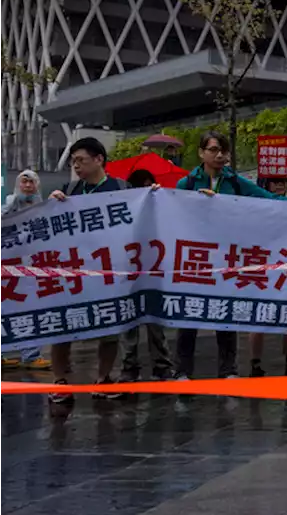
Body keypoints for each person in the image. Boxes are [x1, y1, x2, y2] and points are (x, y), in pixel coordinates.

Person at [173, 131, 287, 380]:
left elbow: (270, 200)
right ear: (201, 153)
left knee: (226, 313)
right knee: (190, 313)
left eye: (223, 150)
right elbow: (173, 212)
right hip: (196, 259)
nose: (219, 155)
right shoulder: (187, 184)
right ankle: (182, 370)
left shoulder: (235, 182)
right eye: (213, 150)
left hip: (226, 257)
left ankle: (228, 369)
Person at [46, 138, 131, 403]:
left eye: (80, 160)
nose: (76, 166)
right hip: (73, 272)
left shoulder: (120, 188)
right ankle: (60, 381)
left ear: (99, 159)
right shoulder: (69, 190)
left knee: (110, 325)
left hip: (108, 271)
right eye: (73, 162)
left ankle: (103, 378)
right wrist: (51, 204)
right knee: (62, 326)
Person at [117, 169, 176, 384]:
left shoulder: (159, 208)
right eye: (140, 186)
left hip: (153, 271)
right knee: (129, 323)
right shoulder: (122, 207)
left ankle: (162, 367)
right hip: (127, 272)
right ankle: (129, 367)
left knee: (155, 323)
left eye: (148, 185)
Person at [248, 176, 287, 377]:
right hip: (261, 267)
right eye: (275, 181)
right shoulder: (259, 206)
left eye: (283, 182)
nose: (279, 184)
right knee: (257, 317)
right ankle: (255, 362)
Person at [1, 169, 53, 371]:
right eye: (24, 182)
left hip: (33, 267)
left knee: (32, 308)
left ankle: (31, 355)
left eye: (32, 182)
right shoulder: (10, 205)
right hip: (9, 267)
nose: (28, 186)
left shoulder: (41, 207)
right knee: (4, 309)